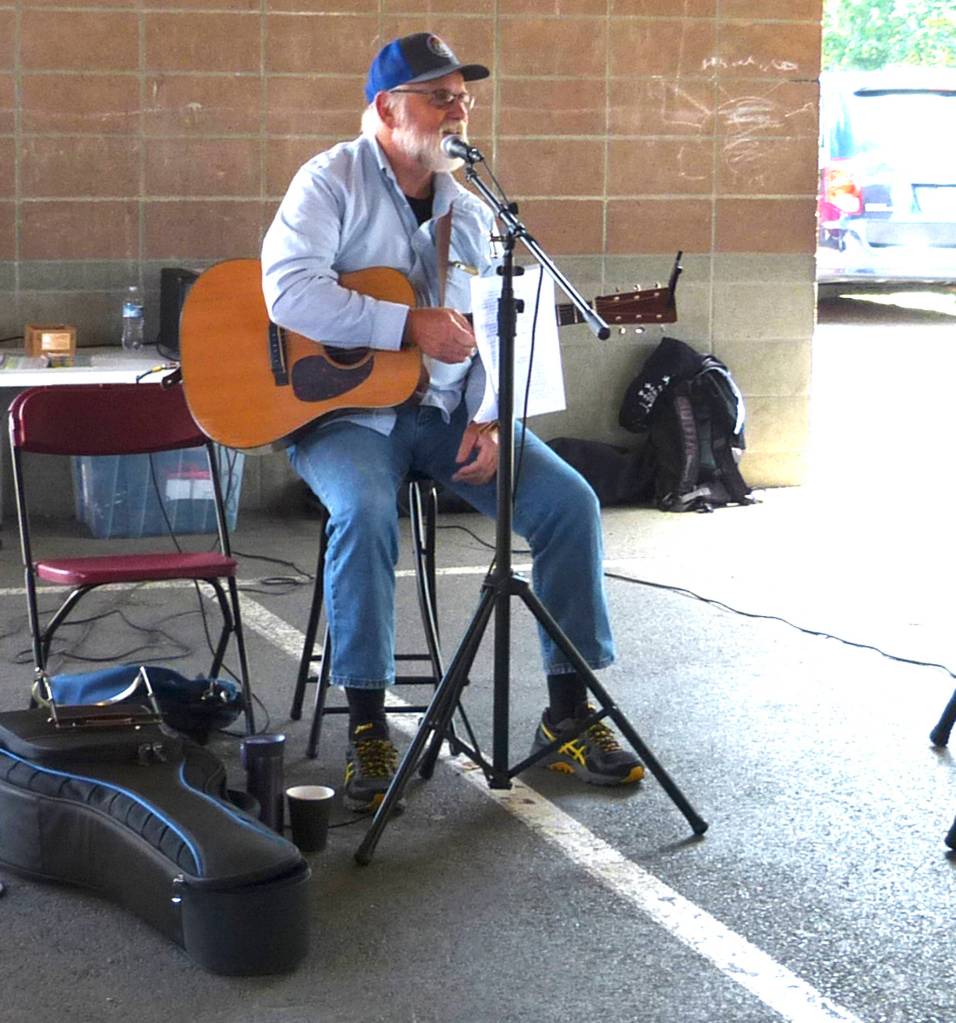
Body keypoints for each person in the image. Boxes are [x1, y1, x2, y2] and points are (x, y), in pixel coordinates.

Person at [261, 32, 643, 811]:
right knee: (365, 511)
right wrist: (404, 327)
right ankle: (369, 723)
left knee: (569, 503)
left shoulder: (472, 212)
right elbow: (288, 293)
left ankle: (568, 711)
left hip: (444, 414)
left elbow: (492, 331)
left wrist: (493, 416)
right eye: (439, 96)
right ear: (385, 108)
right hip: (342, 417)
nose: (458, 109)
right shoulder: (328, 181)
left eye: (463, 96)